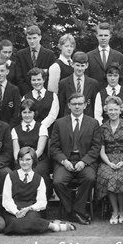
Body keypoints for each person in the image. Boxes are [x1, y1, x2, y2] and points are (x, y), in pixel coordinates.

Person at [50, 92, 102, 225]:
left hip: (85, 161)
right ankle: (72, 210)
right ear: (69, 105)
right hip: (65, 161)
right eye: (74, 104)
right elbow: (54, 148)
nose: (77, 107)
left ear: (85, 105)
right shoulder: (59, 123)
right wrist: (63, 161)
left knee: (90, 178)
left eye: (80, 104)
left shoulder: (93, 123)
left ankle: (76, 210)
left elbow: (96, 147)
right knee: (58, 181)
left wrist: (84, 162)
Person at [2, 147, 77, 234]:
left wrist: (29, 208)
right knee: (14, 225)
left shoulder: (39, 179)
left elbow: (42, 202)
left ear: (33, 160)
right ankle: (52, 226)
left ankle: (50, 226)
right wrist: (16, 212)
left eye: (28, 159)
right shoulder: (10, 176)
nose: (24, 162)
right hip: (14, 208)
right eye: (21, 159)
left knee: (31, 220)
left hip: (31, 209)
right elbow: (6, 200)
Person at [96, 96, 123, 224]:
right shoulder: (102, 128)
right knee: (110, 177)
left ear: (121, 110)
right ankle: (115, 211)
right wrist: (108, 162)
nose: (113, 112)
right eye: (110, 110)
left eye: (115, 109)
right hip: (107, 159)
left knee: (121, 177)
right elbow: (101, 150)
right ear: (106, 111)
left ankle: (122, 210)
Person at [11, 99, 52, 199]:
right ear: (21, 114)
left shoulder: (41, 127)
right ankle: (22, 200)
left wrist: (30, 162)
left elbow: (40, 150)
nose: (27, 115)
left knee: (37, 173)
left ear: (34, 113)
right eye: (24, 112)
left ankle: (41, 201)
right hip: (21, 161)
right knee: (17, 174)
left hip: (39, 160)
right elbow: (16, 151)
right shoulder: (15, 129)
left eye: (30, 112)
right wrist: (23, 162)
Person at [16, 25, 56, 95]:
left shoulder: (50, 55)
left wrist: (42, 92)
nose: (32, 41)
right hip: (26, 94)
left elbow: (51, 76)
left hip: (44, 93)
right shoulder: (20, 55)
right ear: (26, 38)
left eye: (34, 38)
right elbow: (19, 77)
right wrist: (29, 94)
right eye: (29, 38)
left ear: (40, 37)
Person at [93, 62, 123, 127]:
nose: (112, 78)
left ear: (119, 76)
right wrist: (106, 128)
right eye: (110, 75)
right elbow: (97, 116)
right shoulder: (100, 94)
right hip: (105, 130)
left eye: (115, 75)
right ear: (106, 76)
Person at [57, 51, 99, 117]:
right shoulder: (63, 83)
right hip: (69, 120)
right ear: (72, 64)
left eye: (82, 66)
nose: (80, 69)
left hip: (87, 120)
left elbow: (95, 105)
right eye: (77, 65)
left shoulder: (93, 84)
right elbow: (61, 105)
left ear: (87, 65)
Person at [86, 23, 123, 89]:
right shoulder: (89, 56)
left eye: (106, 35)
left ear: (110, 36)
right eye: (101, 35)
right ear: (96, 36)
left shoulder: (119, 56)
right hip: (95, 93)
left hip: (113, 95)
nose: (103, 38)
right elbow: (87, 79)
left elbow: (122, 80)